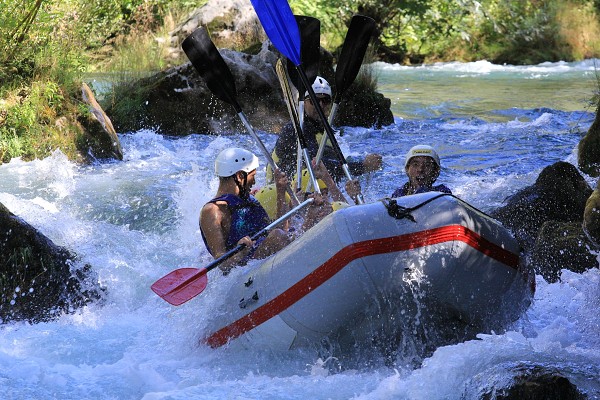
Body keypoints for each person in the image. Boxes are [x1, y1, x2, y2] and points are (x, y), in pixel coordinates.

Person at [271, 76, 382, 183]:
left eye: (325, 100)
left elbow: (333, 161)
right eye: (314, 100)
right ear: (303, 102)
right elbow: (318, 165)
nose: (320, 105)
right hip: (282, 191)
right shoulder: (296, 128)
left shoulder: (323, 128)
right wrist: (363, 166)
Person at [200, 147, 292, 273]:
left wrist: (281, 192)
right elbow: (221, 264)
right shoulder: (212, 211)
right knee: (277, 236)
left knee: (281, 234)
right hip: (244, 272)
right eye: (252, 176)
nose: (254, 182)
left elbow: (281, 229)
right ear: (239, 176)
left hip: (264, 260)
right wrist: (240, 253)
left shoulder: (249, 201)